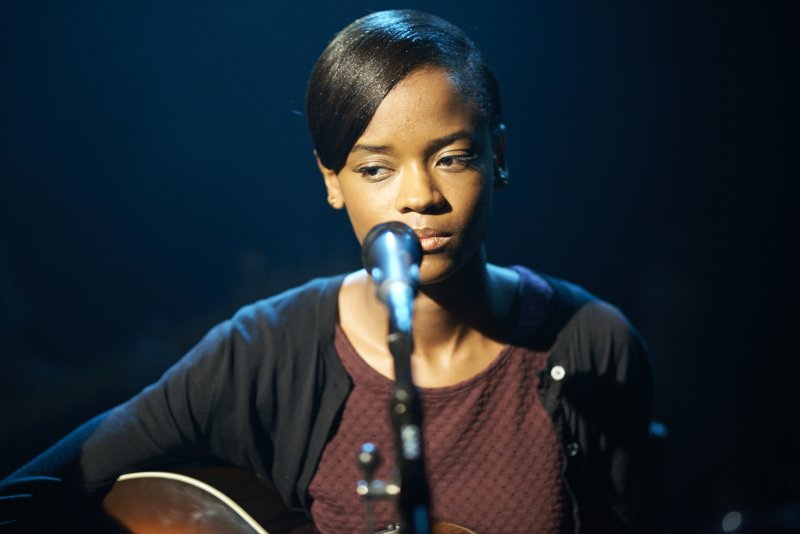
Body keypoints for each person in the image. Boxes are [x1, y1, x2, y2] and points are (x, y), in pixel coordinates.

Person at [0, 9, 652, 533]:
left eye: (452, 157)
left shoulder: (593, 344)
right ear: (332, 180)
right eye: (375, 169)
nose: (419, 197)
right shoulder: (265, 350)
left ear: (498, 156)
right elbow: (27, 495)